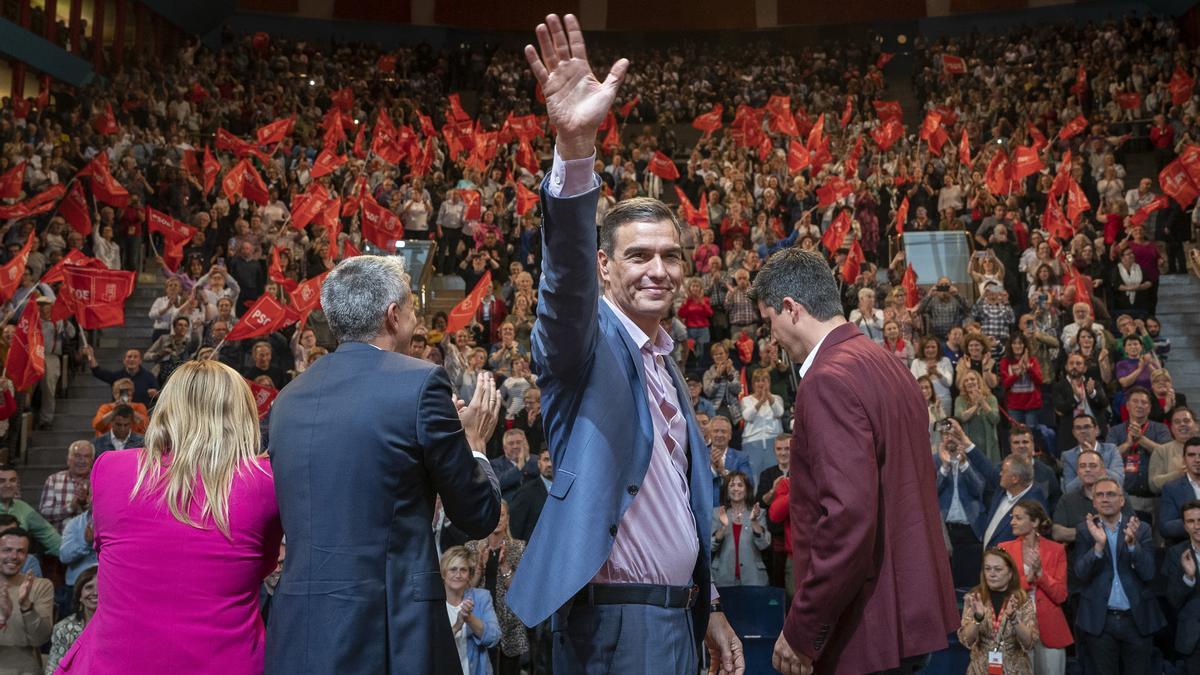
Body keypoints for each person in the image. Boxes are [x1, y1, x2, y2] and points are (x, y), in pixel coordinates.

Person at [507, 16, 742, 675]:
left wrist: (710, 603)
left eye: (670, 255)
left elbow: (673, 502)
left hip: (676, 614)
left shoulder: (663, 360)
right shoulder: (585, 343)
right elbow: (563, 287)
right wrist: (576, 151)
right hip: (614, 622)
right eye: (638, 255)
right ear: (606, 267)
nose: (657, 268)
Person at [266, 256, 502, 674]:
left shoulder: (288, 399)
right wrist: (474, 444)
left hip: (300, 633)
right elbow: (478, 514)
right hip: (389, 632)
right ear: (393, 316)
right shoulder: (421, 383)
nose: (416, 320)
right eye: (412, 308)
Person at [752, 247, 957, 674]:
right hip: (906, 616)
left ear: (791, 309)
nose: (769, 337)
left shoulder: (827, 379)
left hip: (866, 625)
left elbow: (846, 517)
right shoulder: (888, 363)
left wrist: (803, 629)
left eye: (768, 321)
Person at [55, 360, 281, 673]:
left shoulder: (111, 468)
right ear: (241, 414)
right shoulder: (265, 481)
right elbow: (264, 563)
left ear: (167, 407)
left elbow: (109, 552)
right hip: (224, 661)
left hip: (118, 661)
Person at [1072, 479, 1164, 675]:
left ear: (1122, 501)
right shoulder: (1084, 530)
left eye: (1111, 494)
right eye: (1100, 495)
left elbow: (1149, 573)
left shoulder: (1141, 528)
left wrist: (1132, 545)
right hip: (1100, 620)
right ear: (1094, 502)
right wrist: (1097, 547)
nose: (1105, 499)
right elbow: (1080, 573)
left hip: (1136, 618)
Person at [998, 501, 1071, 675]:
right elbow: (1000, 591)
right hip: (1016, 626)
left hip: (1050, 628)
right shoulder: (1004, 549)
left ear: (1035, 522)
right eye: (1012, 517)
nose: (1012, 522)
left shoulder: (1056, 550)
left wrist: (1040, 575)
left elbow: (1061, 595)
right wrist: (1027, 580)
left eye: (1018, 518)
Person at [465, 503, 527, 675]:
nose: (498, 519)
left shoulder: (519, 548)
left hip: (510, 628)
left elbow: (520, 593)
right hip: (478, 624)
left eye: (502, 515)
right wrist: (479, 569)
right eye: (494, 515)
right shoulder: (471, 548)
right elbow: (464, 590)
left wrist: (504, 566)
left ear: (507, 520)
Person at [956, 548, 1039, 675]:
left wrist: (1014, 619)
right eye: (987, 569)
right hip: (980, 669)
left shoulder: (1022, 600)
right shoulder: (975, 598)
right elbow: (966, 640)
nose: (991, 574)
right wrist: (977, 619)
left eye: (998, 569)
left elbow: (1029, 643)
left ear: (1010, 573)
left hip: (1016, 670)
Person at [936, 418, 994, 589]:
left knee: (972, 586)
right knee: (948, 586)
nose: (949, 438)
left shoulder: (973, 458)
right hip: (945, 532)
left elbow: (979, 490)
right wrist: (945, 467)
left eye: (953, 434)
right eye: (945, 435)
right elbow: (930, 494)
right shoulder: (933, 460)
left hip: (971, 531)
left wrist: (964, 465)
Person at [0, 528, 54, 672]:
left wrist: (26, 607)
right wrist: (2, 619)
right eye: (7, 550)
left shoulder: (40, 585)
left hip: (26, 670)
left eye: (21, 551)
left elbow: (40, 639)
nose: (14, 556)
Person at [442, 546, 501, 675]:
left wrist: (469, 619)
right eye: (453, 569)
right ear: (443, 573)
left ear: (469, 575)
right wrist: (457, 626)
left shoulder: (481, 597)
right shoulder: (434, 603)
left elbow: (493, 638)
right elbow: (431, 646)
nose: (458, 575)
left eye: (463, 570)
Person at [710, 472, 770, 587]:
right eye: (732, 485)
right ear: (726, 491)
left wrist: (753, 521)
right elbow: (711, 546)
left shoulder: (758, 513)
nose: (736, 489)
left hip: (754, 578)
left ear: (747, 489)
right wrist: (723, 527)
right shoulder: (717, 513)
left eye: (740, 485)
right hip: (723, 578)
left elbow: (764, 545)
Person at [1165, 499, 1200, 673]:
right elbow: (1172, 600)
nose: (1197, 526)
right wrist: (1188, 577)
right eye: (1191, 521)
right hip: (1193, 640)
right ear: (1185, 526)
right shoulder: (1176, 554)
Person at [44, 566, 97, 674]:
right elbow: (54, 670)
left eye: (102, 587)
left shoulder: (119, 628)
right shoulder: (65, 629)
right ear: (79, 596)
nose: (95, 592)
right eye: (89, 587)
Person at [755, 434, 791, 589]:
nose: (783, 453)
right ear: (774, 451)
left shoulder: (803, 472)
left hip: (797, 536)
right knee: (776, 581)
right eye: (779, 449)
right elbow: (761, 503)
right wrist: (773, 490)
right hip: (775, 536)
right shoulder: (767, 474)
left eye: (787, 449)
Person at [0, 467, 60, 556]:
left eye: (12, 480)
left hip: (16, 563)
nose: (8, 485)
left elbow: (49, 535)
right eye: (2, 481)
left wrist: (72, 552)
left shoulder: (23, 508)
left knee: (32, 560)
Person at [37, 441, 94, 532]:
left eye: (86, 456)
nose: (82, 461)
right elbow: (44, 513)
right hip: (60, 540)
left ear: (92, 461)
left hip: (91, 541)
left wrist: (85, 503)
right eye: (77, 456)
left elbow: (105, 515)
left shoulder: (99, 481)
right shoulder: (54, 480)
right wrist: (70, 507)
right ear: (68, 459)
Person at [739, 369, 784, 481]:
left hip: (773, 442)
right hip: (752, 443)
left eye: (764, 380)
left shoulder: (777, 398)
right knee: (753, 477)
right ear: (753, 384)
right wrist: (760, 401)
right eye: (757, 381)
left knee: (774, 476)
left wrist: (768, 397)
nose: (761, 383)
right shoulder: (746, 400)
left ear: (769, 382)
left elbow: (779, 412)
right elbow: (747, 416)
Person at [1061, 414, 1123, 493]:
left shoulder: (1111, 450)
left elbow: (1119, 480)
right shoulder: (1068, 456)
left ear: (1096, 430)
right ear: (1074, 433)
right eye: (1078, 428)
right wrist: (1085, 472)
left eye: (1087, 427)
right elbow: (1069, 489)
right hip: (1082, 501)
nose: (1083, 431)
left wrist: (1095, 459)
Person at [83, 347, 158, 407]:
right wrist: (90, 355)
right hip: (120, 415)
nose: (132, 359)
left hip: (142, 416)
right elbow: (97, 371)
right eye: (129, 357)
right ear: (124, 360)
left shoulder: (149, 377)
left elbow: (158, 395)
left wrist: (156, 394)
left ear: (140, 361)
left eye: (135, 357)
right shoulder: (117, 376)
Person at [1160, 438, 1200, 546]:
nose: (1197, 460)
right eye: (1191, 455)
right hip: (1185, 549)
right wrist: (1194, 522)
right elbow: (1166, 528)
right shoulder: (1171, 489)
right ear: (1184, 459)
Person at [508, 450, 551, 542]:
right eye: (546, 460)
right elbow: (515, 527)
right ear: (539, 463)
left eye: (552, 460)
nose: (550, 464)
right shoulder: (526, 492)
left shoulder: (571, 490)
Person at [490, 430, 538, 500]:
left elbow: (544, 475)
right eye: (511, 443)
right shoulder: (495, 464)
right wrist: (520, 466)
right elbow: (498, 484)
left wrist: (526, 459)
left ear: (526, 444)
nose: (515, 446)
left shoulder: (537, 460)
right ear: (504, 448)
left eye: (519, 442)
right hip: (509, 505)